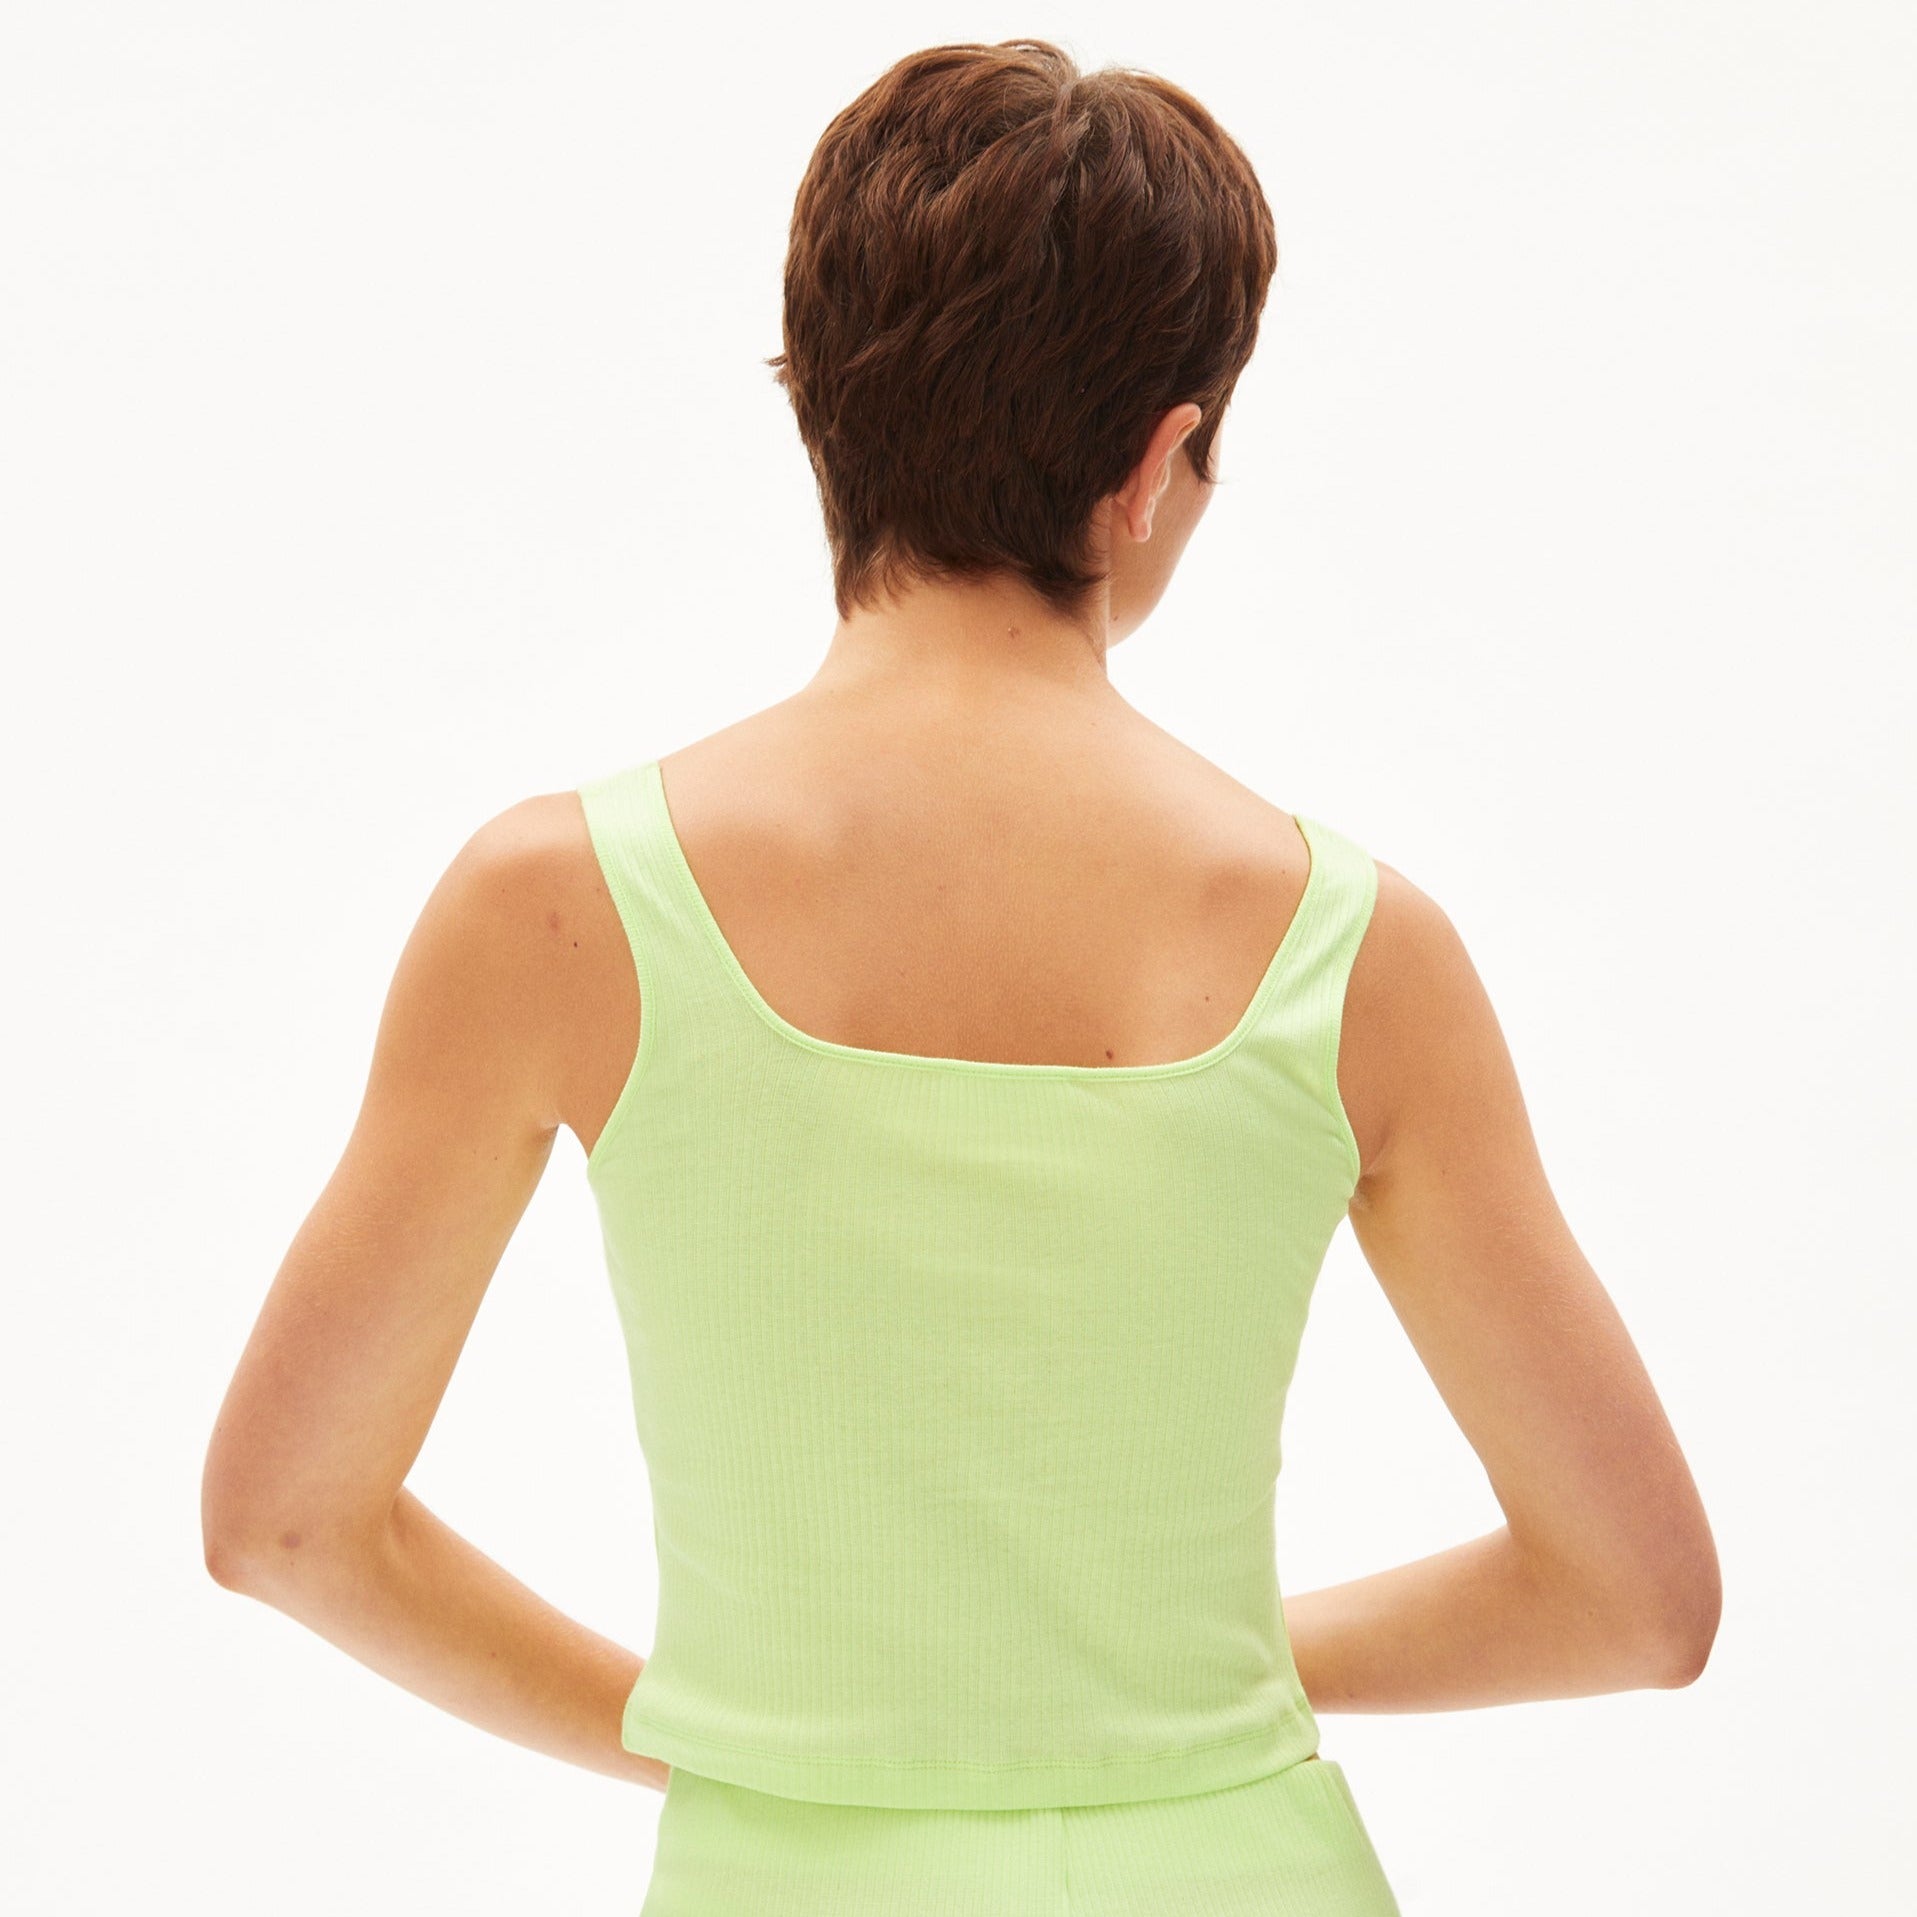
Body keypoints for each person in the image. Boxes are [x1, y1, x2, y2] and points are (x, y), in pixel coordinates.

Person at [201, 37, 1721, 1915]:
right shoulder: (1361, 951)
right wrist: (1175, 1676)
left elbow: (283, 1519)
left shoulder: (556, 906)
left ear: (820, 407)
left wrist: (733, 1729)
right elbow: (1636, 1597)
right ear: (1159, 463)